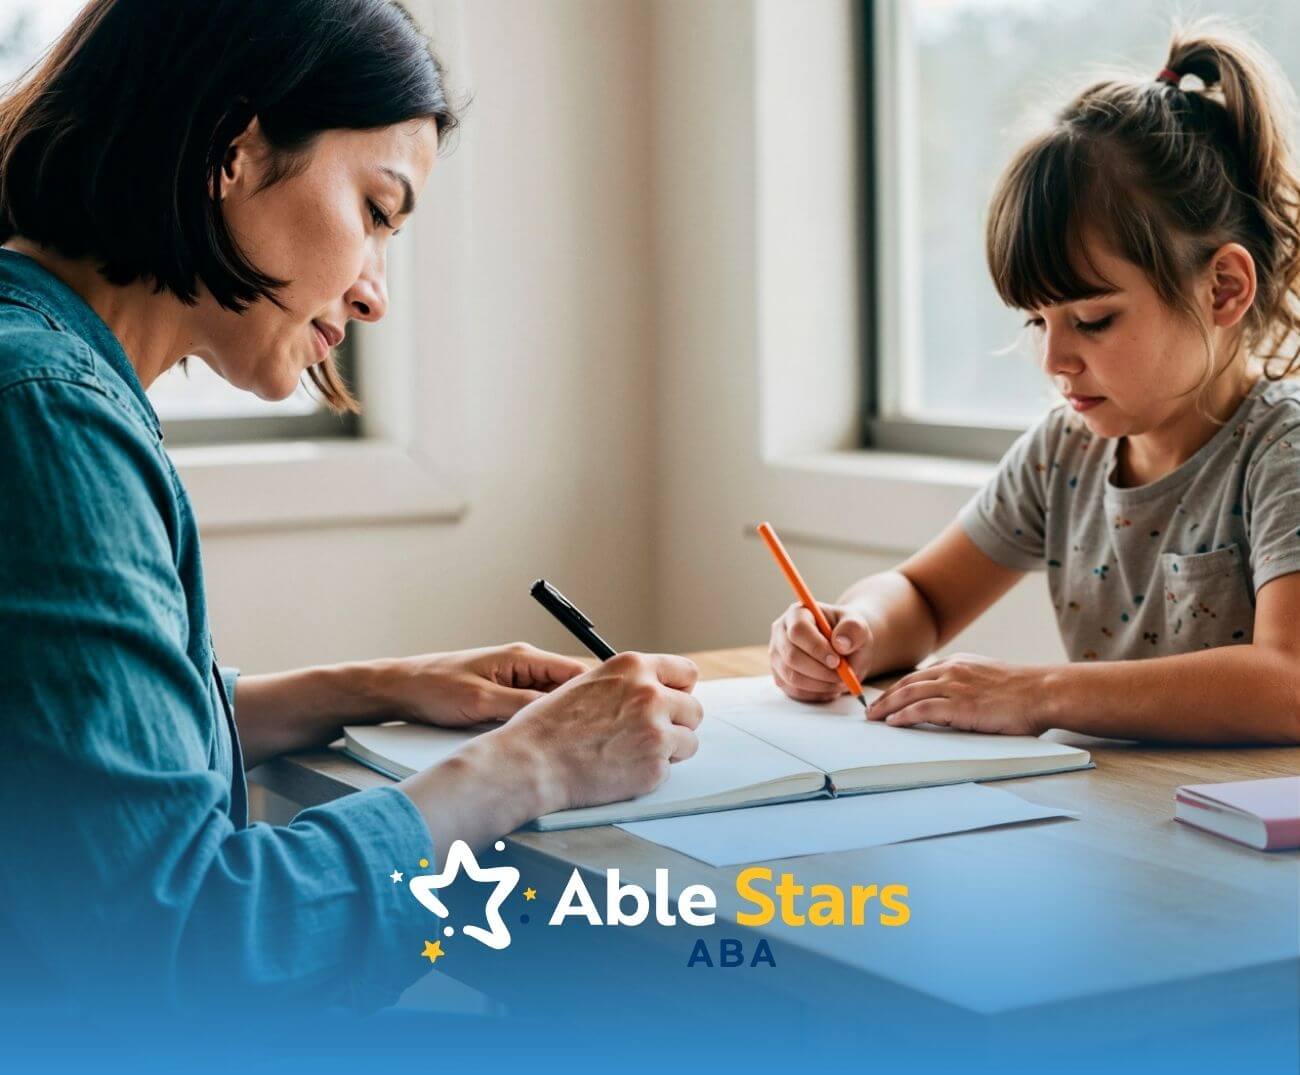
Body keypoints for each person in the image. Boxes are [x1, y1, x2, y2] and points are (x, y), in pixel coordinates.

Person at [0, 0, 701, 1022]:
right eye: (376, 211)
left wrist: (367, 686)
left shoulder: (40, 367)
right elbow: (182, 949)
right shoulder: (48, 419)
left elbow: (63, 750)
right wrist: (532, 762)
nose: (373, 295)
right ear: (230, 148)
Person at [770, 23, 1300, 746]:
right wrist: (856, 627)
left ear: (1224, 289)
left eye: (1092, 319)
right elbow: (924, 597)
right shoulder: (1066, 451)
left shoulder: (1281, 449)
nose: (1055, 359)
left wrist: (1038, 692)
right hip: (1120, 817)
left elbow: (1290, 682)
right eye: (1036, 322)